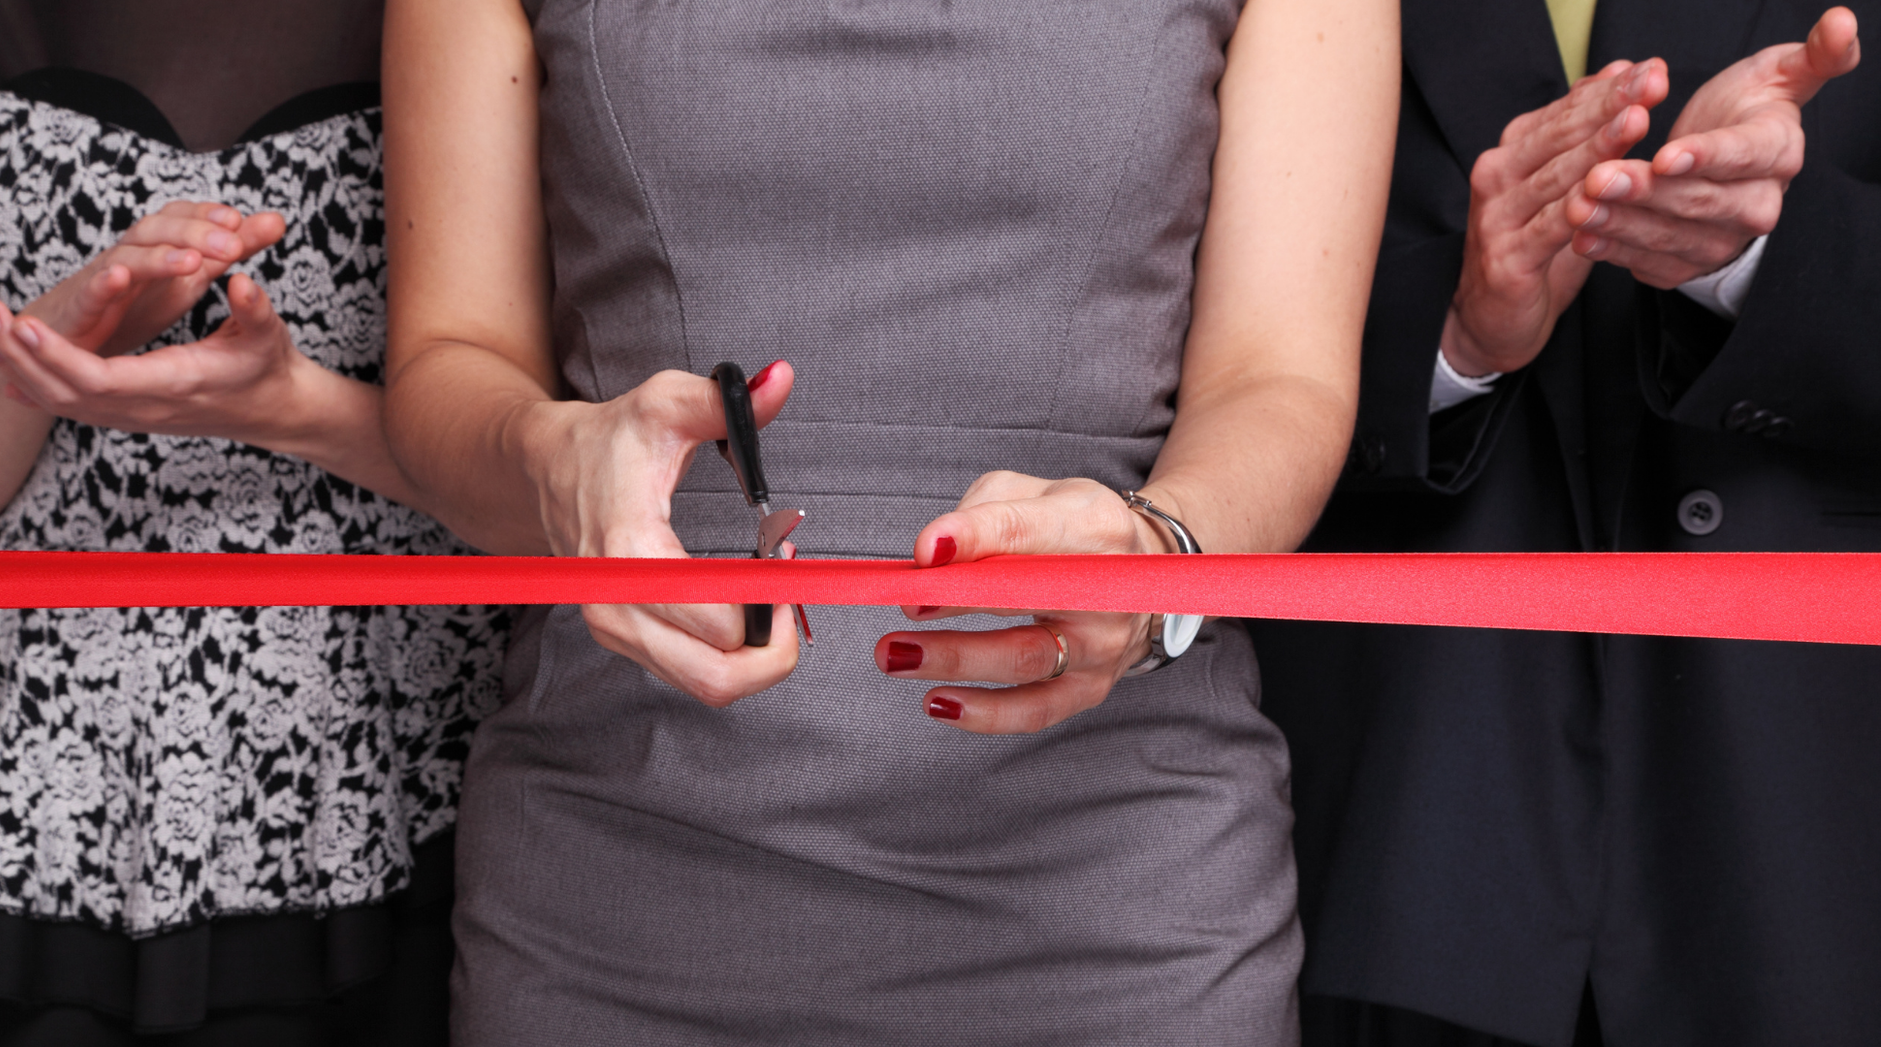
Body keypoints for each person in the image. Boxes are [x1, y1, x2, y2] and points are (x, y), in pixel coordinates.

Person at [380, 0, 1398, 1041]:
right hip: (612, 877)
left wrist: (1160, 554)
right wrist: (556, 458)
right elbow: (448, 360)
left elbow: (1278, 378)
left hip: (1118, 895)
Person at [1250, 4, 1881, 1045]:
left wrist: (1758, 259)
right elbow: (1149, 301)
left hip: (1810, 797)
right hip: (1402, 814)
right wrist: (1456, 329)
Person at [0, 2, 507, 1042]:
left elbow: (536, 475)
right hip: (25, 776)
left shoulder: (477, 23)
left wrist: (294, 411)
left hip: (380, 770)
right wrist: (43, 349)